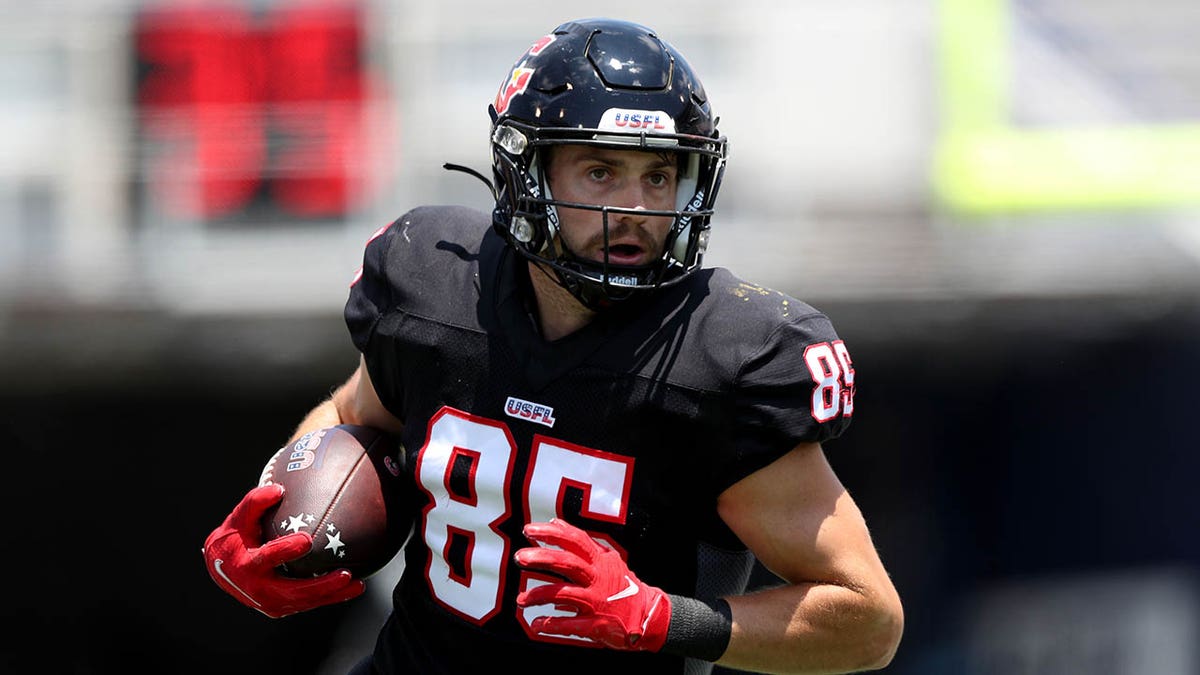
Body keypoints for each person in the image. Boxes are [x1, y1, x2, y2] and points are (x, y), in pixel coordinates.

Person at [202, 16, 903, 675]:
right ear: (525, 173)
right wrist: (274, 520)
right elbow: (353, 414)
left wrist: (663, 616)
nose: (635, 209)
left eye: (658, 176)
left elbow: (869, 618)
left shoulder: (721, 359)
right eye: (601, 172)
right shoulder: (434, 287)